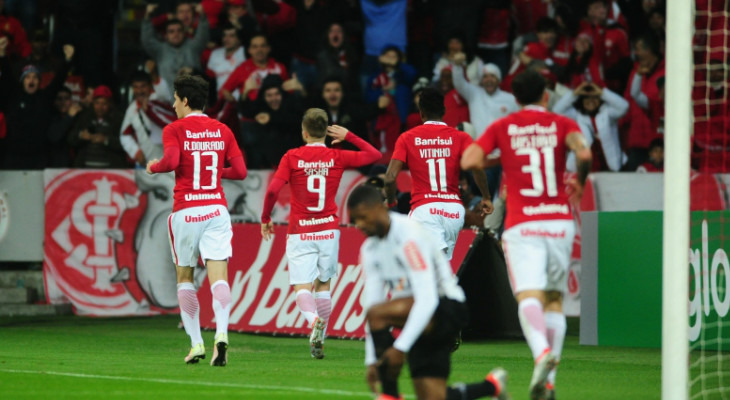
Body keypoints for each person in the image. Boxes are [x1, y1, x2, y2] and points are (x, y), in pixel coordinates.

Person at [461, 69, 593, 400]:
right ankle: (549, 382)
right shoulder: (562, 124)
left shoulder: (505, 126)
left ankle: (541, 354)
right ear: (546, 96)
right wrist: (579, 179)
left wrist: (503, 154)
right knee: (554, 300)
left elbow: (469, 158)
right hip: (559, 222)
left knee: (527, 297)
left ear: (515, 98)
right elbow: (585, 153)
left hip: (524, 224)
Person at [348, 184, 509, 400]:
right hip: (418, 318)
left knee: (379, 313)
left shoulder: (408, 234)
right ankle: (492, 386)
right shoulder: (369, 250)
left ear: (379, 208)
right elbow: (372, 303)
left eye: (363, 217)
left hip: (446, 307)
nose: (360, 225)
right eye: (355, 220)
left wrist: (399, 349)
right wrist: (370, 361)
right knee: (433, 398)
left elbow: (427, 298)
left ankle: (389, 392)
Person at [260, 109, 380, 359]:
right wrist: (350, 136)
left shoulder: (292, 156)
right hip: (328, 231)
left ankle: (314, 321)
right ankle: (320, 341)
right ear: (326, 131)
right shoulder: (337, 156)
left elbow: (272, 191)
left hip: (300, 231)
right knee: (323, 285)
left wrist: (265, 217)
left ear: (303, 132)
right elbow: (375, 155)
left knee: (301, 286)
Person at [145, 74, 247, 366]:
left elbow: (172, 162)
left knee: (185, 278)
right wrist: (214, 173)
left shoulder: (174, 129)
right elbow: (239, 171)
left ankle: (196, 344)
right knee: (219, 276)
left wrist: (154, 167)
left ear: (186, 100)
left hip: (187, 210)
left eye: (176, 99)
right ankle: (222, 334)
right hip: (216, 210)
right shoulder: (222, 130)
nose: (174, 104)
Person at [384, 88, 493, 260]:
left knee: (422, 269)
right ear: (443, 111)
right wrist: (486, 197)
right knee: (441, 272)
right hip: (455, 212)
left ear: (421, 113)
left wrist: (391, 202)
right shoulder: (461, 137)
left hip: (425, 210)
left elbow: (390, 178)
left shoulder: (407, 138)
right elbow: (477, 167)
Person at [552, 80, 628, 172]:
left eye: (594, 97)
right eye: (587, 98)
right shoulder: (577, 116)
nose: (591, 101)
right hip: (585, 168)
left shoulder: (608, 114)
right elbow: (556, 111)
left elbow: (624, 106)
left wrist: (602, 92)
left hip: (611, 167)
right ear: (582, 101)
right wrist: (575, 93)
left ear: (600, 100)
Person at [141, 3, 210, 97]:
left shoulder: (194, 46)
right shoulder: (160, 50)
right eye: (171, 31)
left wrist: (202, 15)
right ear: (166, 35)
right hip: (167, 102)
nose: (175, 34)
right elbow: (147, 40)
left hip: (193, 101)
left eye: (179, 30)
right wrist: (147, 17)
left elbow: (203, 34)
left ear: (184, 32)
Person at [451, 53, 519, 137]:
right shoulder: (474, 94)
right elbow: (459, 83)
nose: (488, 79)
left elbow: (518, 122)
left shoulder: (511, 99)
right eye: (485, 77)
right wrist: (457, 66)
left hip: (501, 146)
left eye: (492, 76)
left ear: (499, 80)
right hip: (479, 144)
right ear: (482, 81)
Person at [120, 70, 178, 167]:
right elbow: (124, 135)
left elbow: (164, 93)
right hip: (147, 164)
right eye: (136, 87)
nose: (139, 91)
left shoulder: (160, 100)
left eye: (143, 86)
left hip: (170, 162)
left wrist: (154, 75)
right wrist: (136, 152)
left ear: (150, 86)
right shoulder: (131, 109)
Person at [68, 85, 127, 168]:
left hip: (111, 171)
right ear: (93, 103)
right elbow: (71, 139)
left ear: (110, 104)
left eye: (104, 104)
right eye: (97, 103)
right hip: (84, 170)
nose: (100, 107)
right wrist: (81, 135)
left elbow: (126, 144)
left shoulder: (119, 120)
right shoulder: (84, 118)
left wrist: (106, 140)